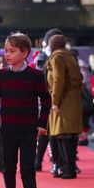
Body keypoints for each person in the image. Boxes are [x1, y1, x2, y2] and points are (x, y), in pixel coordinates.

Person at [0, 32, 51, 188]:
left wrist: (42, 123)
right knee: (8, 169)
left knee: (27, 170)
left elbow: (46, 99)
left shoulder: (35, 75)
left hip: (29, 130)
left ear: (25, 53)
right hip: (7, 130)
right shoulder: (1, 76)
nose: (7, 54)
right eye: (6, 51)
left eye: (12, 51)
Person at [45, 34, 82, 179]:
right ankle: (69, 169)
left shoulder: (57, 58)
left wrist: (54, 102)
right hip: (72, 99)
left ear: (52, 44)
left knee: (63, 134)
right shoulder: (70, 56)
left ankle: (68, 170)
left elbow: (58, 80)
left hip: (62, 101)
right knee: (71, 136)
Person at [33, 28, 63, 173]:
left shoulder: (61, 56)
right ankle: (41, 161)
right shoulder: (42, 57)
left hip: (56, 99)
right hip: (45, 99)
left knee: (53, 132)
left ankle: (57, 162)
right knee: (45, 131)